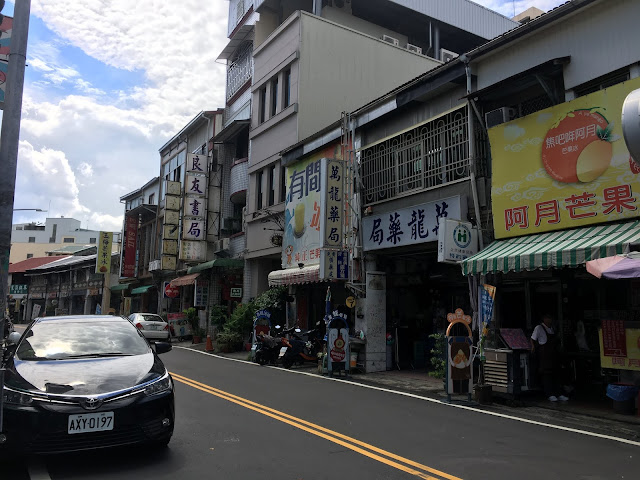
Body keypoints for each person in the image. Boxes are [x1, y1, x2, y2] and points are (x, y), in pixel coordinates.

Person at [530, 314, 568, 402]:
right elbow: (532, 339)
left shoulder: (552, 328)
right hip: (544, 356)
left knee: (556, 374)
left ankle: (559, 393)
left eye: (551, 318)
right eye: (548, 318)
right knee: (547, 375)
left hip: (554, 355)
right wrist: (532, 347)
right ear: (544, 319)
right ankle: (550, 394)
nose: (550, 320)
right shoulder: (539, 328)